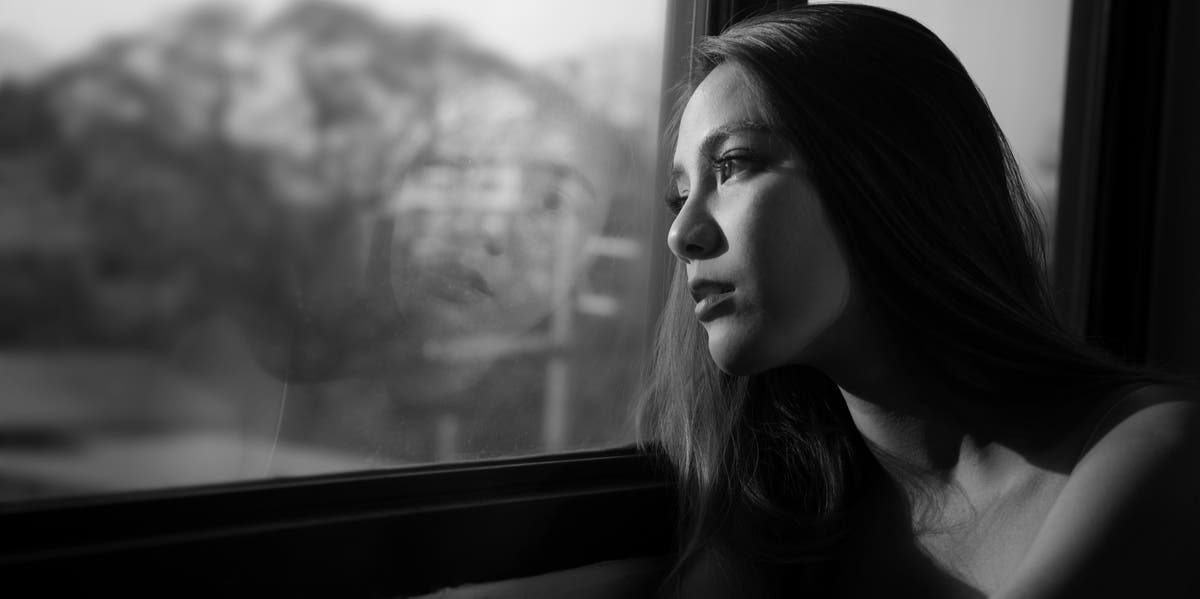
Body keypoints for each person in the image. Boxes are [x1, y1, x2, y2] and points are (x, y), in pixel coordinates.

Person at [637, 4, 1199, 597]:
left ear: (888, 172)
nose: (680, 235)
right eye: (680, 196)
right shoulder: (773, 514)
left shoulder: (1155, 452)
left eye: (731, 165)